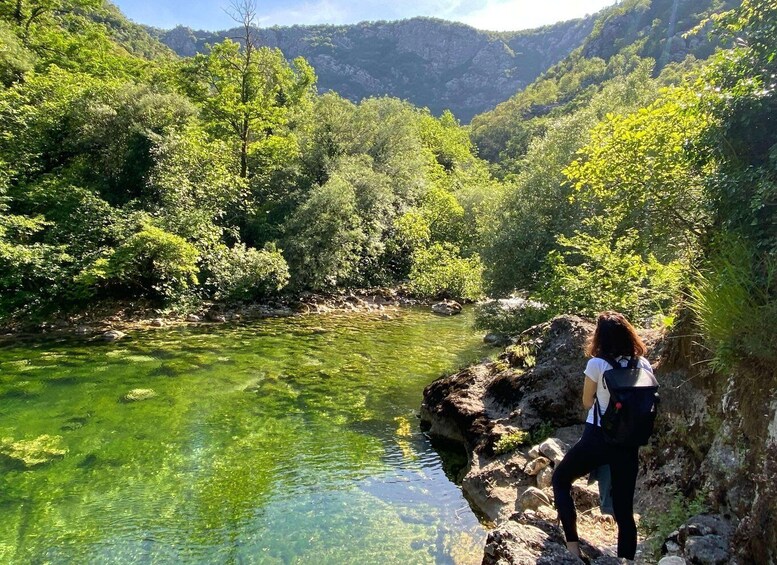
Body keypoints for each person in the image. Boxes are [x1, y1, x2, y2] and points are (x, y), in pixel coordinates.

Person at [551, 311, 654, 561]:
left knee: (561, 479)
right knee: (624, 512)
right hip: (628, 443)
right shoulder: (643, 364)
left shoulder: (597, 364)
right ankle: (626, 561)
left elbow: (587, 402)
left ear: (600, 338)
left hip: (597, 437)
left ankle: (573, 548)